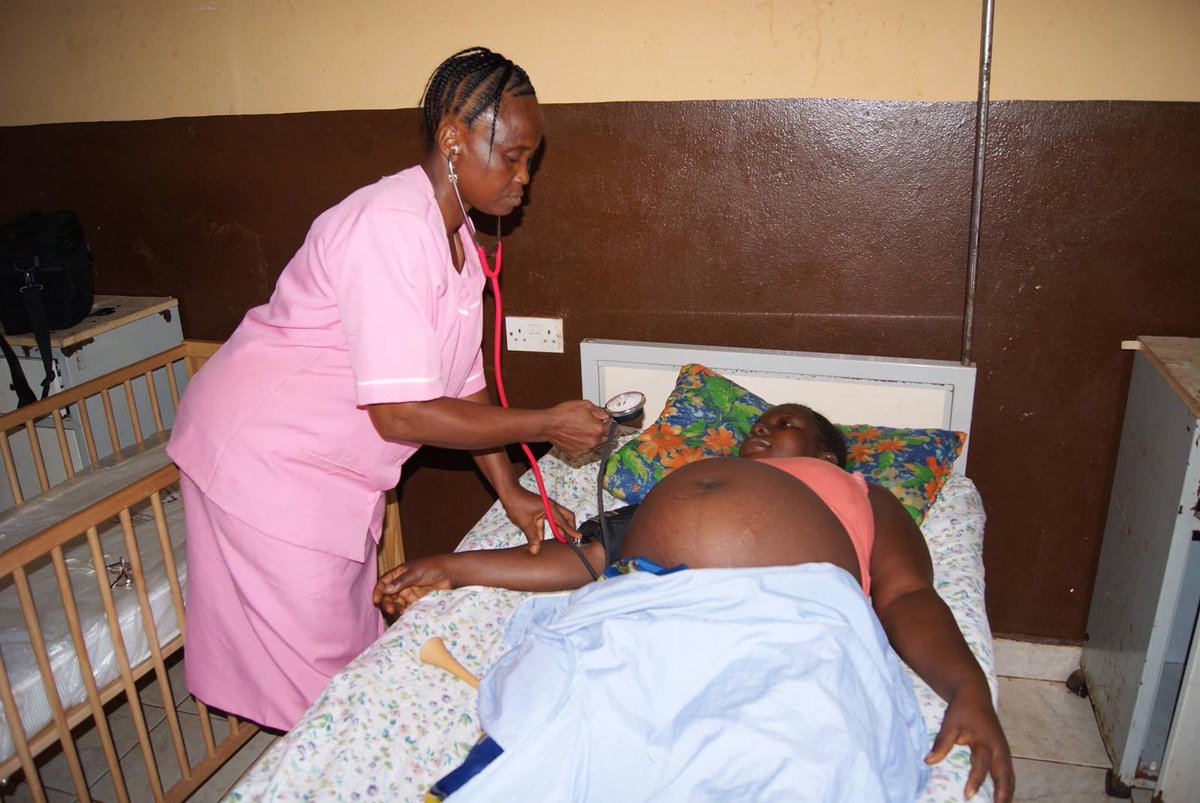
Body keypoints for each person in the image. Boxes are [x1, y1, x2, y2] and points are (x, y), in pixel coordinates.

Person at [167, 47, 609, 731]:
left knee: (347, 646)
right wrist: (547, 422)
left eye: (531, 160)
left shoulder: (457, 239)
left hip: (328, 463)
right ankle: (333, 761)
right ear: (453, 139)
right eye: (514, 156)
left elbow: (465, 388)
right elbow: (401, 415)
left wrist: (512, 491)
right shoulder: (389, 227)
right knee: (319, 676)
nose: (525, 177)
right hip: (264, 453)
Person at [375, 403, 1015, 802]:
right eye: (758, 425)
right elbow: (587, 559)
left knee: (788, 752)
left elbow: (906, 593)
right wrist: (453, 567)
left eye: (785, 424)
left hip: (789, 616)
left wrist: (969, 689)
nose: (762, 428)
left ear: (826, 454)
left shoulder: (862, 492)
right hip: (646, 602)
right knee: (570, 720)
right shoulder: (682, 485)